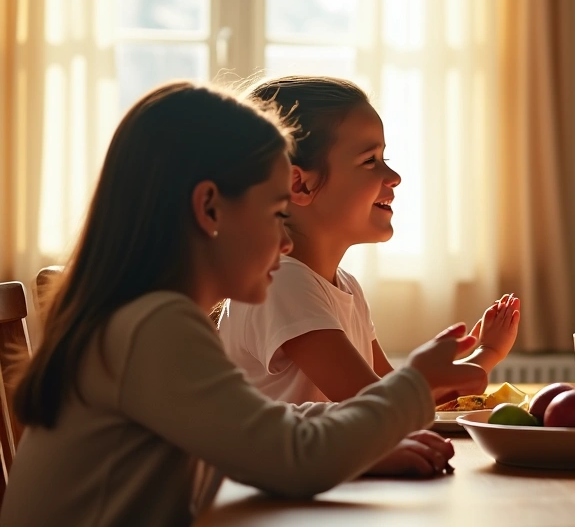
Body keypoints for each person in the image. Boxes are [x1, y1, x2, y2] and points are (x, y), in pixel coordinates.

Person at [0, 82, 486, 526]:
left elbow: (256, 424)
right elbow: (293, 461)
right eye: (277, 213)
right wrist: (414, 385)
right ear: (209, 208)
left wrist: (368, 442)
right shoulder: (152, 327)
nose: (287, 242)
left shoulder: (148, 320)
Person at [217, 75, 519, 405]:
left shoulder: (345, 287)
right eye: (369, 161)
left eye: (384, 159)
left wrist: (487, 353)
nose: (394, 176)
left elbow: (399, 397)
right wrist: (479, 355)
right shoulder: (282, 281)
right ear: (300, 186)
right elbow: (379, 406)